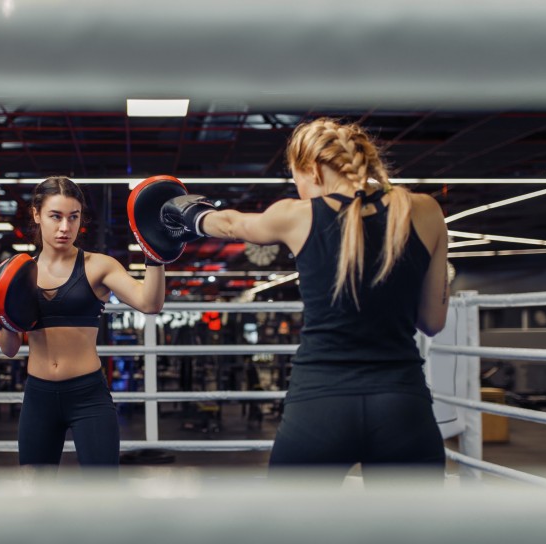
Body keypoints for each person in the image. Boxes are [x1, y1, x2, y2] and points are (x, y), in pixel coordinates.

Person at [161, 117, 450, 485]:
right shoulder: (424, 210)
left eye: (296, 177)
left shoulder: (296, 215)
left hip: (320, 405)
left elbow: (233, 224)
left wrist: (185, 213)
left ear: (312, 169)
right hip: (401, 404)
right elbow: (433, 321)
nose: (297, 188)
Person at [0, 175, 165, 468]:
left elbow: (149, 303)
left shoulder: (98, 265)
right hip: (39, 397)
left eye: (73, 217)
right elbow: (9, 349)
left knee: (101, 491)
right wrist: (4, 312)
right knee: (36, 491)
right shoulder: (18, 273)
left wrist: (155, 255)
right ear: (37, 215)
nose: (65, 227)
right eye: (55, 216)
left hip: (88, 395)